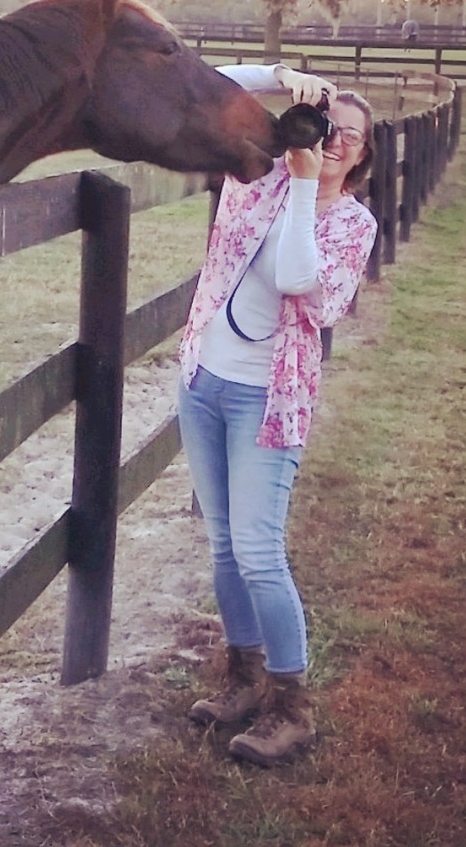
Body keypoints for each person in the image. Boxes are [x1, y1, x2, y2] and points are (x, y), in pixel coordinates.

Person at [177, 62, 378, 766]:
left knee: (258, 551)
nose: (336, 141)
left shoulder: (351, 224)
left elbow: (300, 282)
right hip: (203, 382)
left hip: (268, 399)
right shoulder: (253, 180)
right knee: (223, 544)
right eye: (328, 126)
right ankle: (243, 680)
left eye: (351, 136)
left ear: (363, 154)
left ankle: (291, 709)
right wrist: (278, 75)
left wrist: (302, 184)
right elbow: (200, 85)